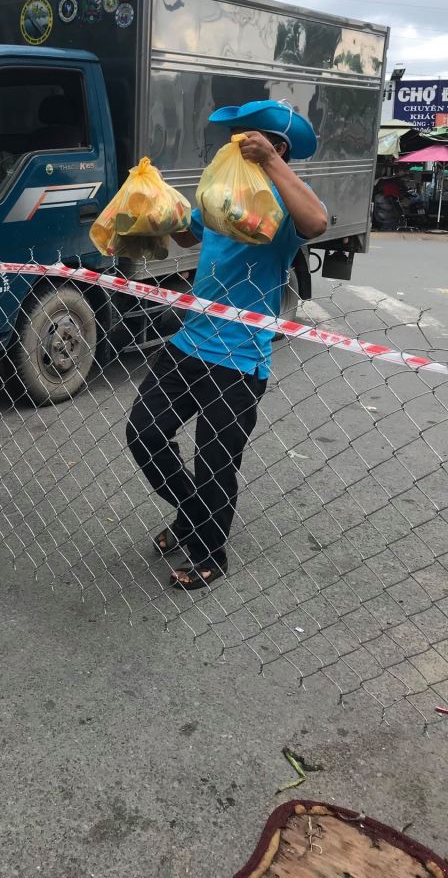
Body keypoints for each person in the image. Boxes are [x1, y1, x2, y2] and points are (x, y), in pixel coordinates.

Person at [127, 100, 327, 591]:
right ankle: (193, 512)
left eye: (246, 138)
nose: (233, 145)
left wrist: (271, 163)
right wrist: (153, 203)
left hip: (239, 358)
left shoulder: (281, 210)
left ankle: (209, 552)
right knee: (144, 433)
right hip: (188, 342)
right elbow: (184, 236)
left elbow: (318, 222)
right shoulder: (223, 198)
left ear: (274, 147)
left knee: (216, 460)